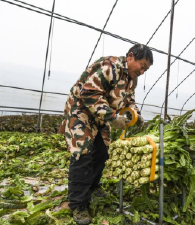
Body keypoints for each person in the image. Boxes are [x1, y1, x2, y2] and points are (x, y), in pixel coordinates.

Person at [59, 44, 153, 225]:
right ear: (131, 57)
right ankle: (78, 204)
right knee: (83, 155)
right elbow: (89, 93)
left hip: (101, 117)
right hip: (82, 112)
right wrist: (112, 116)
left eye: (146, 69)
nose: (142, 71)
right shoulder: (109, 67)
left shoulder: (132, 79)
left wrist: (135, 114)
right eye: (142, 65)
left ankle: (93, 187)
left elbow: (129, 100)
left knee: (102, 152)